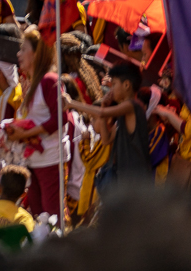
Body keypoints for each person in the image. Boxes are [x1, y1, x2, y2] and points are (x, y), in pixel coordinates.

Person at [64, 60, 152, 191]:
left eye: (114, 84)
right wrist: (104, 105)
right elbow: (106, 139)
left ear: (126, 85)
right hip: (125, 178)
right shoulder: (124, 113)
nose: (112, 89)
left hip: (136, 178)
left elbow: (101, 113)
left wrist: (71, 103)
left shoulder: (132, 106)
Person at [11, 27, 67, 216]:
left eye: (23, 49)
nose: (18, 54)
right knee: (36, 213)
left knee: (52, 214)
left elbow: (60, 118)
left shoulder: (49, 80)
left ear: (36, 54)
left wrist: (25, 133)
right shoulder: (33, 82)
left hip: (50, 159)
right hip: (33, 159)